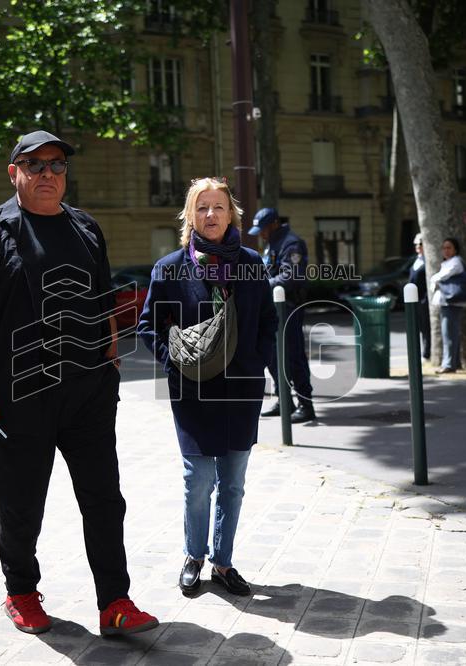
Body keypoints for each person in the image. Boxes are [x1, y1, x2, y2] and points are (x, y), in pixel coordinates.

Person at [0, 130, 158, 637]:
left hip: (88, 393)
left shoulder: (86, 227)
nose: (48, 173)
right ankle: (21, 591)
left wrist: (110, 362)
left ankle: (115, 602)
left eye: (57, 164)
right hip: (17, 396)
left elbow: (104, 298)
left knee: (104, 499)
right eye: (35, 164)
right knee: (20, 504)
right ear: (13, 172)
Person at [137, 178, 277, 599]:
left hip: (241, 391)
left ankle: (223, 562)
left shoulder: (252, 263)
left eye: (218, 207)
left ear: (231, 213)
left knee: (232, 483)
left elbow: (268, 321)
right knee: (197, 480)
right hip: (192, 391)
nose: (211, 215)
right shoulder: (170, 267)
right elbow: (148, 325)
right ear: (190, 216)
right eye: (202, 208)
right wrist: (174, 362)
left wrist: (255, 361)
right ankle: (193, 556)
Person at [248, 207, 315, 423]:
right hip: (273, 309)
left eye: (263, 229)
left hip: (289, 308)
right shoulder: (273, 243)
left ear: (274, 224)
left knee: (294, 356)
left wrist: (260, 285)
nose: (261, 234)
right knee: (272, 356)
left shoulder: (291, 243)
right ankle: (284, 401)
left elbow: (290, 277)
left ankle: (306, 405)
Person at [429, 237, 466, 374]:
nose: (446, 250)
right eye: (444, 248)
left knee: (448, 333)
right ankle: (454, 362)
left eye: (449, 247)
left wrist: (434, 278)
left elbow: (442, 276)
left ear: (455, 249)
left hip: (451, 302)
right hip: (447, 302)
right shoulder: (448, 262)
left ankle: (449, 364)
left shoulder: (456, 262)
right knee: (451, 332)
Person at [408, 233, 431, 360]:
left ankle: (427, 353)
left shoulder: (428, 261)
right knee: (419, 327)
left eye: (420, 244)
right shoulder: (416, 260)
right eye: (416, 244)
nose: (418, 246)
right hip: (414, 299)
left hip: (424, 299)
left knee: (426, 327)